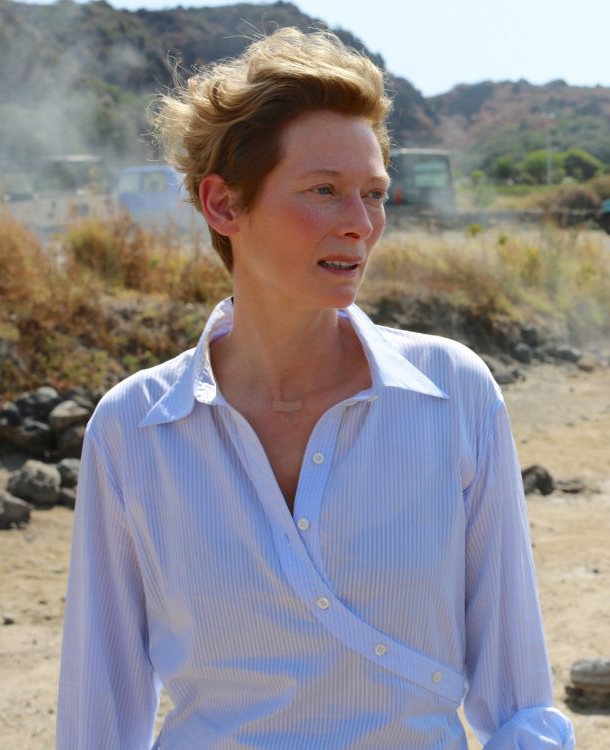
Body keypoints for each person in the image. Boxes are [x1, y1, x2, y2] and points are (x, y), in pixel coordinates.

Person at [57, 28, 575, 749]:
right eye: (323, 191)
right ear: (223, 205)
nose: (360, 225)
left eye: (373, 194)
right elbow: (98, 713)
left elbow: (519, 701)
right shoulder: (133, 429)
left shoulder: (452, 393)